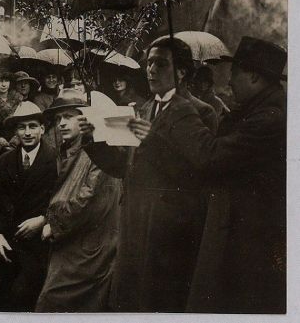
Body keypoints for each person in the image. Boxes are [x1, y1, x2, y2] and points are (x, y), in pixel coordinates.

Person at [92, 37, 218, 312]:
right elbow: (124, 167)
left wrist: (154, 141)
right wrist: (93, 140)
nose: (150, 70)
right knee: (134, 298)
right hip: (136, 220)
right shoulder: (144, 109)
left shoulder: (200, 111)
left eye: (160, 64)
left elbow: (202, 171)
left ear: (182, 72)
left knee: (164, 299)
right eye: (148, 63)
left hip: (171, 226)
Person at [182, 36, 286, 313]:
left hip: (253, 247)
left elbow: (212, 158)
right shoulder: (257, 112)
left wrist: (184, 110)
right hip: (246, 239)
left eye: (234, 74)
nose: (229, 82)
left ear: (253, 76)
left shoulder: (269, 119)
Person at [35, 89, 122, 312]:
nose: (62, 123)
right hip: (72, 240)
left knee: (51, 301)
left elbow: (88, 198)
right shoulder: (66, 150)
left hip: (90, 248)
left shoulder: (98, 150)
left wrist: (52, 225)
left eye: (68, 117)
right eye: (58, 119)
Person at [0, 102, 58, 311]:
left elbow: (61, 202)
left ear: (42, 129)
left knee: (21, 294)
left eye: (33, 126)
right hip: (7, 240)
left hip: (39, 245)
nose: (27, 132)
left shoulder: (56, 160)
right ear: (16, 131)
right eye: (22, 127)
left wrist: (43, 219)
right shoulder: (6, 160)